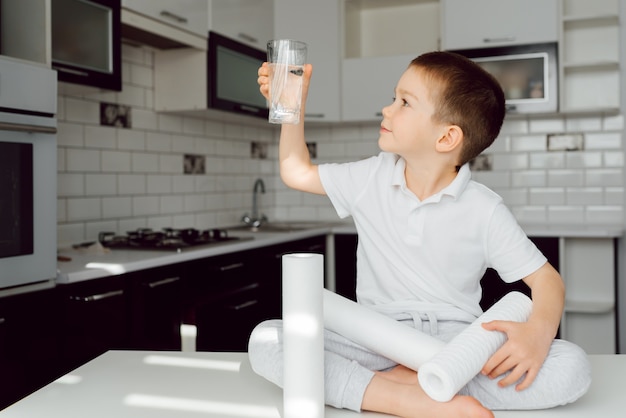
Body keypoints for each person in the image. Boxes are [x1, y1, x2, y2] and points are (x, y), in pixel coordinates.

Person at [248, 51, 591, 418]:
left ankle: (405, 382)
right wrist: (291, 108)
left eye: (404, 102)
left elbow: (547, 281)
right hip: (374, 340)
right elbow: (296, 171)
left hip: (455, 345)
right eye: (395, 98)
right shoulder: (369, 179)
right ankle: (407, 397)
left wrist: (538, 335)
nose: (387, 109)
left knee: (573, 366)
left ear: (446, 137)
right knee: (269, 338)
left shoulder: (484, 209)